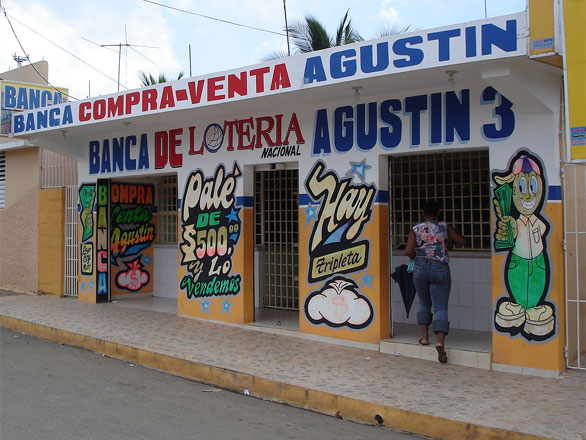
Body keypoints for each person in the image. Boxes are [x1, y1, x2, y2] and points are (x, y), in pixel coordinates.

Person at [404, 199, 466, 363]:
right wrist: (448, 243)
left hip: (421, 267)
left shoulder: (416, 229)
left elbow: (408, 250)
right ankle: (440, 343)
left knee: (424, 302)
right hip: (440, 267)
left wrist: (414, 258)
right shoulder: (444, 227)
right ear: (438, 212)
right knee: (440, 306)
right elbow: (462, 241)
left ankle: (424, 338)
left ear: (423, 212)